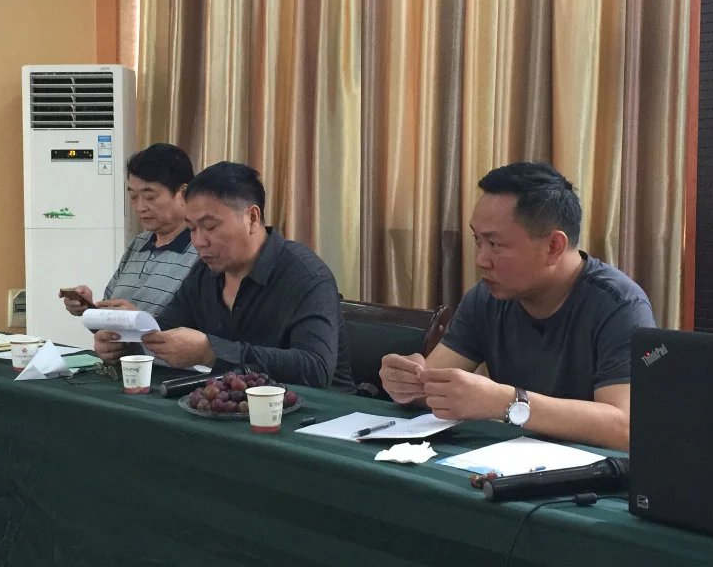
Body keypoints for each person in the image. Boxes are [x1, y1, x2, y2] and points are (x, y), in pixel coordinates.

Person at [380, 162, 655, 450]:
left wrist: (508, 402)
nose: (481, 260)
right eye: (477, 240)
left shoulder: (620, 306)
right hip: (505, 462)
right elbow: (433, 385)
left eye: (495, 245)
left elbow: (624, 427)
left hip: (593, 471)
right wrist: (407, 383)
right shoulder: (486, 298)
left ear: (553, 247)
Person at [94, 161, 355, 391]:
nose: (199, 241)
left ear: (252, 217)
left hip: (319, 416)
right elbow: (167, 329)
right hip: (232, 405)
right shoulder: (205, 272)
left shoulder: (306, 275)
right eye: (192, 229)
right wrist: (127, 344)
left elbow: (316, 369)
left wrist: (211, 352)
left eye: (210, 227)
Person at [60, 143, 199, 324]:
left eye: (150, 197)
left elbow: (203, 330)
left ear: (183, 193)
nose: (140, 207)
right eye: (133, 197)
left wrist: (139, 320)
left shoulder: (203, 251)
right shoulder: (139, 244)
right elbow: (111, 318)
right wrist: (89, 309)